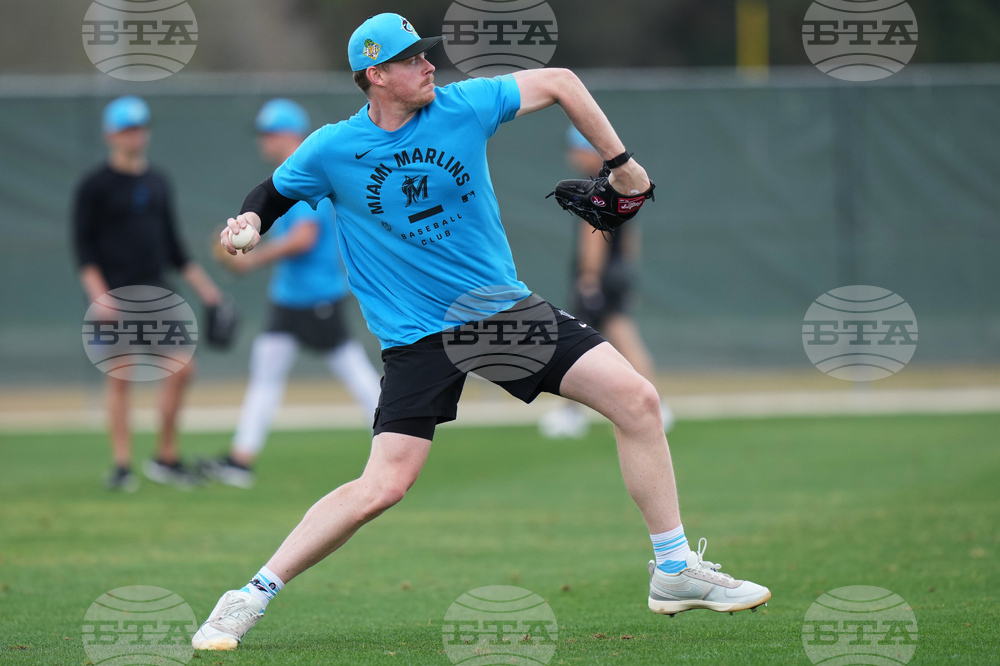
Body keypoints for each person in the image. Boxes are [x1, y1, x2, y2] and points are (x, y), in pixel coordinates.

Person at [192, 14, 770, 650]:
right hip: (416, 336)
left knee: (637, 400)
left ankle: (675, 568)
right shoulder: (333, 148)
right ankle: (248, 596)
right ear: (375, 75)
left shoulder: (462, 107)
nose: (429, 66)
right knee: (384, 485)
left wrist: (622, 163)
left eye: (426, 55)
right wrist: (246, 221)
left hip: (499, 314)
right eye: (411, 59)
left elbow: (561, 81)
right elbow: (271, 193)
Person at [203, 99, 382, 489]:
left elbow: (305, 236)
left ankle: (395, 432)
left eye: (269, 133)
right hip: (289, 296)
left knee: (353, 370)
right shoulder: (286, 174)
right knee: (266, 371)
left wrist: (254, 259)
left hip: (316, 295)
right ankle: (241, 459)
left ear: (289, 134)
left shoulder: (307, 170)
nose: (263, 141)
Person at [73, 96, 222, 491]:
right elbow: (84, 250)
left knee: (183, 368)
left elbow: (175, 249)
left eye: (139, 127)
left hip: (158, 294)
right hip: (115, 295)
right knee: (119, 378)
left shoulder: (157, 182)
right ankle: (122, 466)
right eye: (126, 129)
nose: (134, 135)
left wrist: (208, 292)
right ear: (110, 135)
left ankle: (165, 456)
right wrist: (99, 297)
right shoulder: (95, 186)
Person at [539, 127, 675, 439]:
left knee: (574, 343)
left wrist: (588, 279)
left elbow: (594, 238)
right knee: (623, 337)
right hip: (616, 274)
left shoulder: (594, 186)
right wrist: (625, 273)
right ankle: (657, 404)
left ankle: (572, 415)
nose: (571, 155)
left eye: (575, 148)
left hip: (597, 277)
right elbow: (631, 240)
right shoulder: (621, 183)